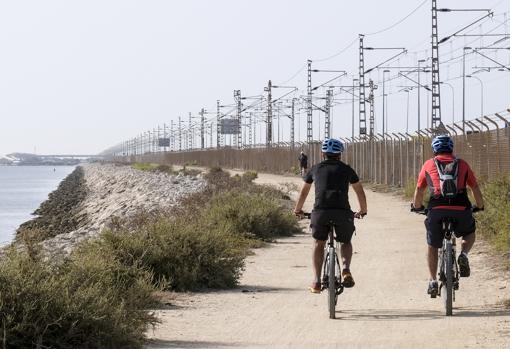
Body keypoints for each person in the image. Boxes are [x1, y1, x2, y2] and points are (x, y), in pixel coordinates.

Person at [411, 135, 484, 297]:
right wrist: (479, 206)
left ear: (434, 150)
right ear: (451, 148)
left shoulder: (428, 164)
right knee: (469, 232)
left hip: (437, 209)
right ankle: (463, 255)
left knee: (432, 244)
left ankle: (432, 281)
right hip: (461, 208)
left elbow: (419, 190)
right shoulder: (462, 164)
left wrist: (417, 207)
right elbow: (475, 187)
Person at [294, 138, 367, 293]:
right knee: (346, 241)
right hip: (343, 213)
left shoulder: (315, 169)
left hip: (321, 213)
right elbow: (359, 190)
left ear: (323, 154)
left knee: (318, 243)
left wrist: (297, 210)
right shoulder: (347, 169)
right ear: (340, 155)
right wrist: (362, 210)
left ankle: (316, 281)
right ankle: (346, 269)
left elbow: (304, 192)